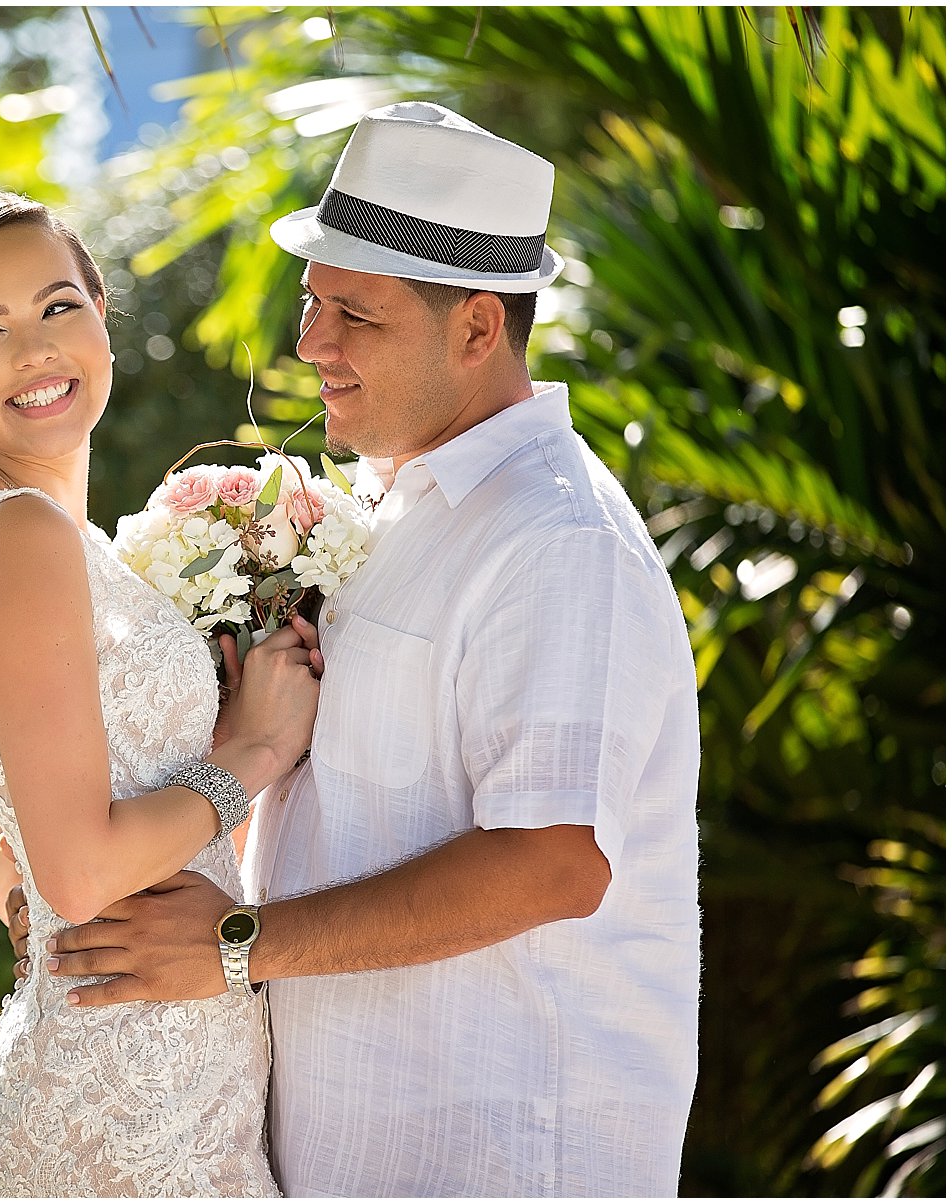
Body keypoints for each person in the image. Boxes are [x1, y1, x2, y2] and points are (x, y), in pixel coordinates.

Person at [36, 101, 703, 1196]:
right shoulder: (391, 506)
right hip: (355, 1147)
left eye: (356, 315)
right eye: (311, 304)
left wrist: (237, 943)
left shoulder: (555, 542)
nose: (312, 346)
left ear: (480, 329)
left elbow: (553, 861)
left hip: (493, 1158)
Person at [0, 189, 322, 1196]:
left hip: (151, 1070)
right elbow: (75, 879)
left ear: (101, 319)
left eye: (58, 307)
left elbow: (22, 856)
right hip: (123, 1102)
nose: (36, 352)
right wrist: (250, 754)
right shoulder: (21, 535)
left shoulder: (31, 535)